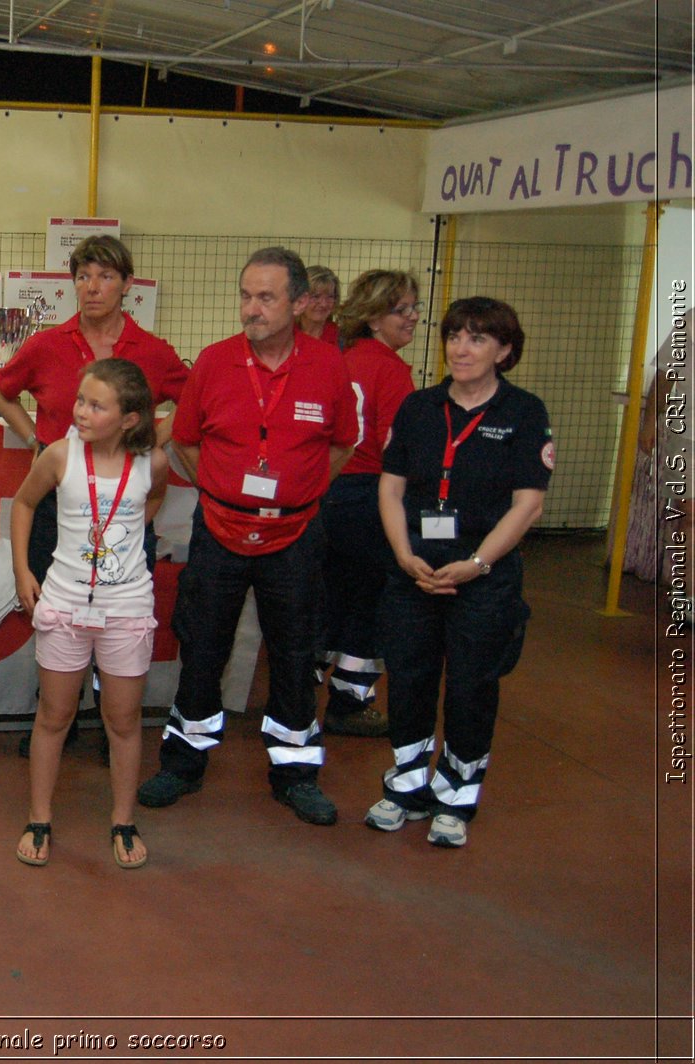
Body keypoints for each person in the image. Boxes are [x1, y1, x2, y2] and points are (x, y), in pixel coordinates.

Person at [137, 247, 358, 825]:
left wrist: (299, 492)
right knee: (202, 648)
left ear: (299, 302)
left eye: (266, 297)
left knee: (294, 654)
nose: (251, 309)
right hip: (220, 527)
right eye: (245, 295)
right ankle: (183, 763)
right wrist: (221, 488)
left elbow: (342, 444)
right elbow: (183, 440)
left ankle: (295, 772)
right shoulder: (213, 362)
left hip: (296, 533)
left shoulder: (329, 365)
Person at [0, 233, 189, 757]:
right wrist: (36, 437)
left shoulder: (152, 351)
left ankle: (112, 723)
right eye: (82, 276)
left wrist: (149, 445)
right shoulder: (48, 343)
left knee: (118, 612)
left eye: (104, 276)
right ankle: (57, 719)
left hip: (124, 508)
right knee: (55, 610)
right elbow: (0, 390)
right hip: (62, 502)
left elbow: (192, 404)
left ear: (127, 285)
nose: (92, 287)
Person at [367, 297, 551, 848]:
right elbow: (391, 488)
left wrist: (476, 565)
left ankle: (456, 796)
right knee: (409, 678)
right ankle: (406, 785)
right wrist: (403, 554)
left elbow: (528, 505)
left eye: (476, 338)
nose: (461, 348)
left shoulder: (523, 413)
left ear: (504, 350)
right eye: (453, 336)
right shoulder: (419, 408)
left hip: (483, 576)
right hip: (415, 569)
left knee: (472, 685)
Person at [10, 359, 169, 869]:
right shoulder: (59, 456)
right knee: (53, 716)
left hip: (127, 608)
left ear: (128, 419)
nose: (80, 410)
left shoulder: (152, 463)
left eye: (96, 405)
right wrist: (22, 572)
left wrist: (125, 539)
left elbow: (154, 499)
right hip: (64, 604)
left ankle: (122, 820)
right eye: (81, 399)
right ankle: (39, 817)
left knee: (122, 721)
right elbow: (23, 503)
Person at [313, 270, 420, 738]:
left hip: (328, 494)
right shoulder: (390, 369)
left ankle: (300, 689)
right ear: (375, 318)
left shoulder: (341, 358)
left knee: (329, 597)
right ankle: (351, 700)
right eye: (403, 310)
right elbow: (401, 448)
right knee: (371, 602)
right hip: (371, 497)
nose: (414, 317)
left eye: (415, 308)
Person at [298, 265, 340, 347]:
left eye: (330, 297)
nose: (323, 304)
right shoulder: (284, 336)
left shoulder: (342, 339)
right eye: (315, 296)